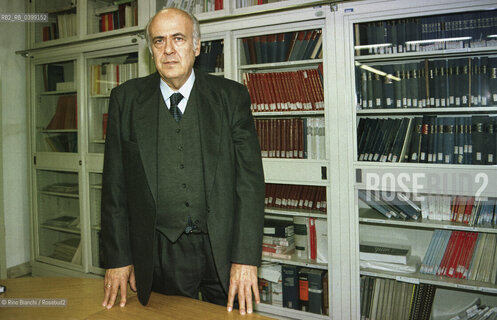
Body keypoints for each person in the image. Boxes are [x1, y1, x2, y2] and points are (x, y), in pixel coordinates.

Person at [100, 7, 265, 315]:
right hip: (160, 250)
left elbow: (250, 184)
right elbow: (115, 187)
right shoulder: (126, 99)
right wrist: (118, 258)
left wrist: (246, 258)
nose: (169, 49)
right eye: (159, 41)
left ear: (197, 45)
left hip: (224, 249)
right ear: (151, 49)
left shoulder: (231, 97)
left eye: (178, 38)